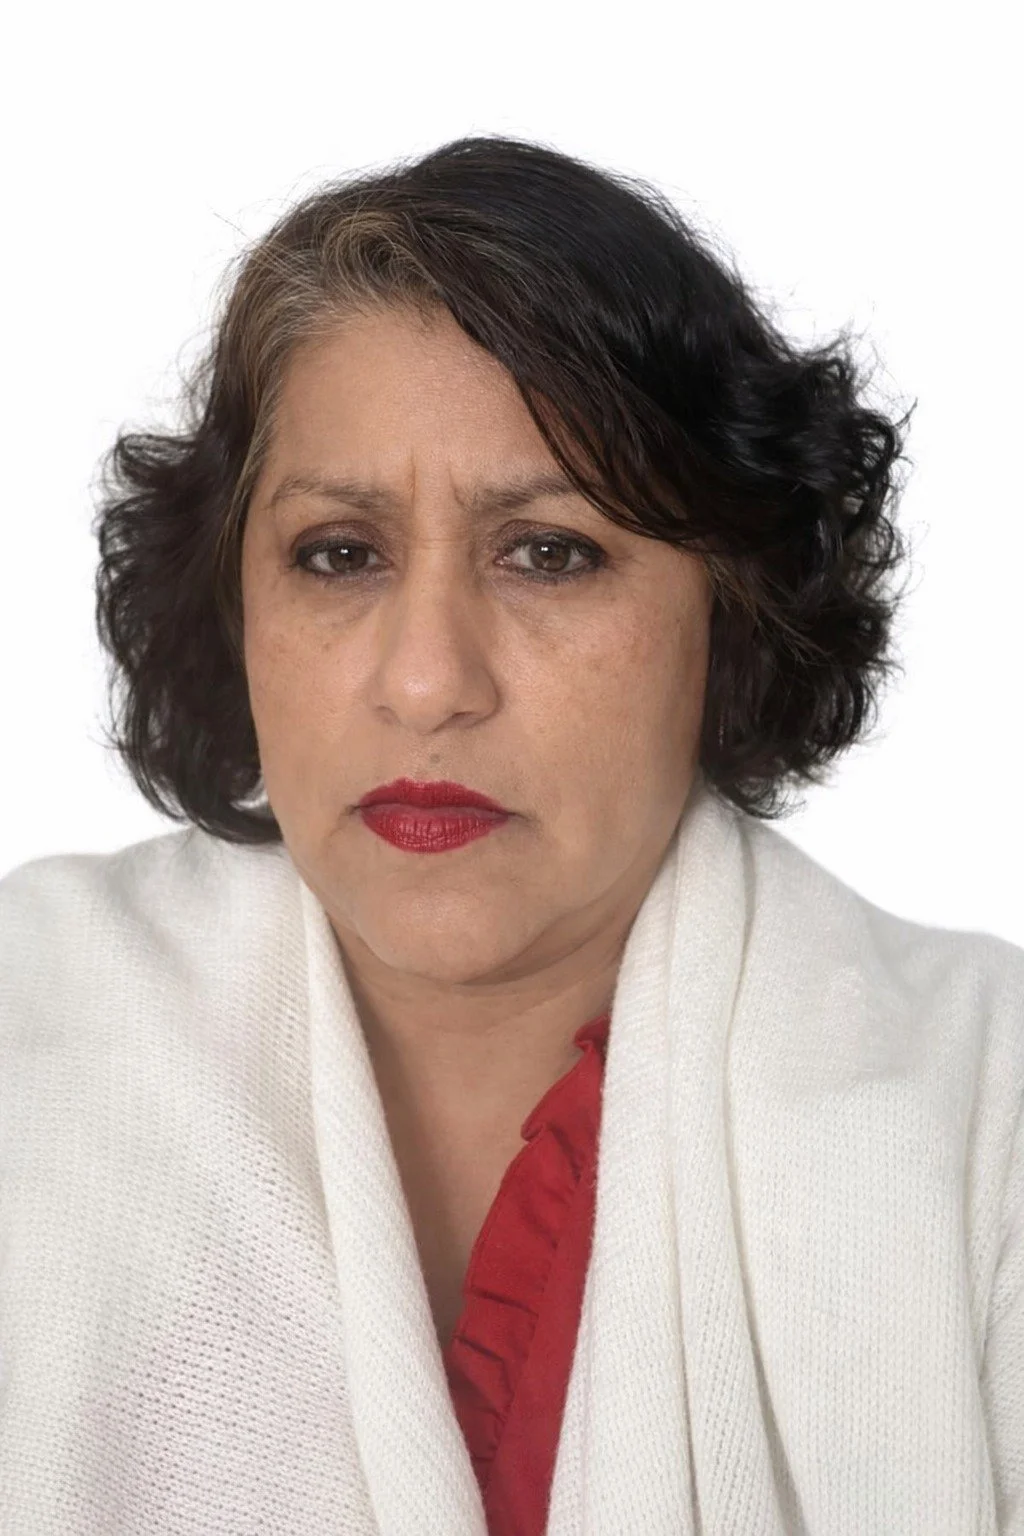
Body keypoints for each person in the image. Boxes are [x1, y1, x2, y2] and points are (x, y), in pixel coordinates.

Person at [1, 134, 1020, 1536]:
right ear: (231, 606)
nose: (426, 681)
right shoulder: (26, 1037)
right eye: (339, 553)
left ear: (731, 618)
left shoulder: (987, 1126)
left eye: (550, 552)